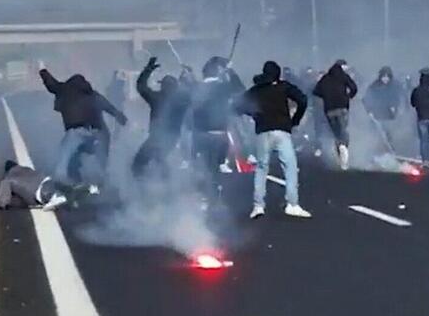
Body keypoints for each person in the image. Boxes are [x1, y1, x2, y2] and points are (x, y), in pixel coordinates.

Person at [234, 60, 311, 219]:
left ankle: (258, 206)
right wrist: (295, 120)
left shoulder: (256, 90)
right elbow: (303, 99)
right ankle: (292, 204)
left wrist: (255, 114)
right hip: (282, 130)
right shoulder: (283, 87)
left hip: (263, 131)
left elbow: (237, 106)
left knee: (261, 168)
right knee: (289, 167)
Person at [40, 65, 127, 186]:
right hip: (97, 133)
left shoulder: (64, 90)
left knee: (64, 159)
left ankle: (61, 183)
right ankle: (102, 184)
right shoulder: (93, 94)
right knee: (100, 161)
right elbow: (109, 108)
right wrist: (121, 118)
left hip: (76, 132)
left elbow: (51, 84)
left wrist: (43, 71)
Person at [192, 56, 244, 198]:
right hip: (219, 134)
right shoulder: (222, 87)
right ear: (218, 72)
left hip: (200, 134)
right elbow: (239, 88)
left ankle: (204, 194)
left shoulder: (196, 87)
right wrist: (230, 71)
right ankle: (213, 192)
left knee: (203, 166)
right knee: (215, 166)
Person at [132, 57, 192, 178]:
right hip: (173, 138)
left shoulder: (156, 98)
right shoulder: (182, 100)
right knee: (158, 160)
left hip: (156, 138)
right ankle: (166, 184)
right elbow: (195, 92)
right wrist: (187, 77)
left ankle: (144, 186)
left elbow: (141, 86)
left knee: (139, 164)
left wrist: (148, 69)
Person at [0, 160, 95, 211]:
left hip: (40, 192)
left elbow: (4, 201)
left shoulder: (8, 179)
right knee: (64, 188)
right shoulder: (25, 169)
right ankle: (81, 191)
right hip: (48, 181)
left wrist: (1, 204)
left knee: (46, 193)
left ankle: (57, 197)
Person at [313, 59, 358, 170]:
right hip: (342, 108)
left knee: (336, 132)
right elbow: (354, 88)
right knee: (343, 130)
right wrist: (348, 97)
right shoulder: (343, 76)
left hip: (329, 110)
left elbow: (316, 91)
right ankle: (344, 148)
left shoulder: (325, 78)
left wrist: (326, 96)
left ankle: (340, 152)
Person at [363, 66, 402, 158]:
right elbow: (366, 99)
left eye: (387, 77)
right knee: (376, 135)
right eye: (384, 77)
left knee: (388, 135)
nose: (385, 79)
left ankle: (390, 151)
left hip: (388, 116)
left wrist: (395, 107)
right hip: (376, 115)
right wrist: (369, 111)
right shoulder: (373, 86)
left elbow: (396, 98)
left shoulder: (393, 87)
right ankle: (375, 152)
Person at [105, 70, 128, 140]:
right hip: (115, 106)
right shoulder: (116, 87)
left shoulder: (116, 87)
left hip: (114, 107)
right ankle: (113, 136)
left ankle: (114, 136)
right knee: (114, 123)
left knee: (114, 123)